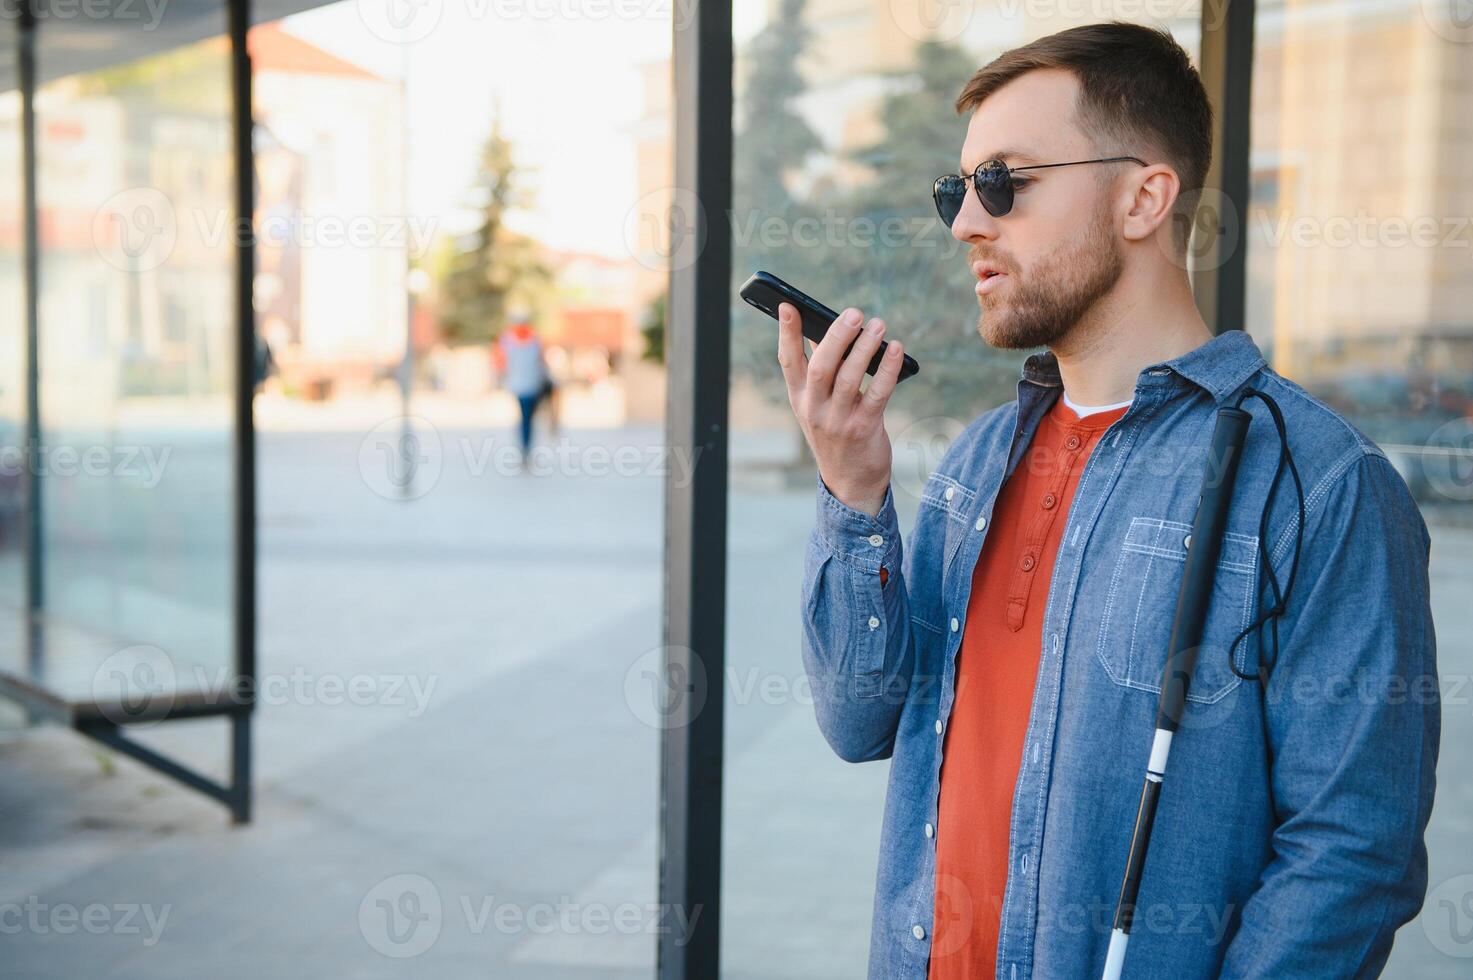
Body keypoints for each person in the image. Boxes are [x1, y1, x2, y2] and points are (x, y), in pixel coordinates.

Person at [779, 22, 1438, 980]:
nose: (967, 221)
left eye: (1003, 180)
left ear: (1142, 197)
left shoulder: (1321, 485)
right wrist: (851, 488)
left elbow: (1352, 854)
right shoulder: (976, 463)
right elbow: (857, 720)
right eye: (954, 190)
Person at [494, 312, 548, 468]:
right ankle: (526, 446)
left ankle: (525, 445)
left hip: (523, 384)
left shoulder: (509, 340)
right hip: (528, 384)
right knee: (527, 418)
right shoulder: (532, 339)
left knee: (526, 417)